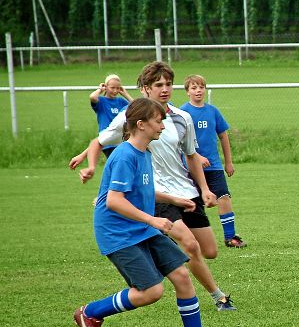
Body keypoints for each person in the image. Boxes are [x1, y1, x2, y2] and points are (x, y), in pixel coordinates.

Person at [69, 62, 238, 311]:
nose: (165, 89)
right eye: (158, 85)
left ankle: (158, 248)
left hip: (185, 192)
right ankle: (218, 296)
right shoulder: (134, 116)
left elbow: (191, 155)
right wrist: (90, 164)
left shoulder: (182, 118)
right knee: (189, 245)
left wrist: (203, 188)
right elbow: (101, 140)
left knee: (209, 250)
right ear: (145, 88)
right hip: (156, 195)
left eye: (168, 84)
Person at [73, 97, 221, 327]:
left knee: (182, 276)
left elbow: (143, 190)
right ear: (141, 125)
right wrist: (153, 220)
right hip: (118, 233)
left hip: (139, 227)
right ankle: (90, 313)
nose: (163, 126)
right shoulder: (123, 155)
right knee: (151, 292)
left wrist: (173, 199)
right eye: (158, 121)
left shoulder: (144, 152)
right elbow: (114, 201)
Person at [181, 74, 247, 248]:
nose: (198, 91)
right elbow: (179, 141)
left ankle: (230, 237)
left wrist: (228, 162)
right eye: (193, 88)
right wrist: (196, 156)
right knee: (192, 203)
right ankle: (191, 237)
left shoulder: (212, 111)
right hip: (191, 166)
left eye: (201, 87)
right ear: (187, 92)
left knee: (224, 198)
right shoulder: (183, 112)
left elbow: (223, 136)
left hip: (214, 166)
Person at [89, 74, 133, 157]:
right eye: (112, 88)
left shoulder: (121, 101)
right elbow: (93, 97)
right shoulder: (101, 101)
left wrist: (125, 94)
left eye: (118, 88)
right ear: (106, 87)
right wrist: (100, 89)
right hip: (108, 140)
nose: (115, 91)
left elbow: (137, 107)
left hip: (120, 139)